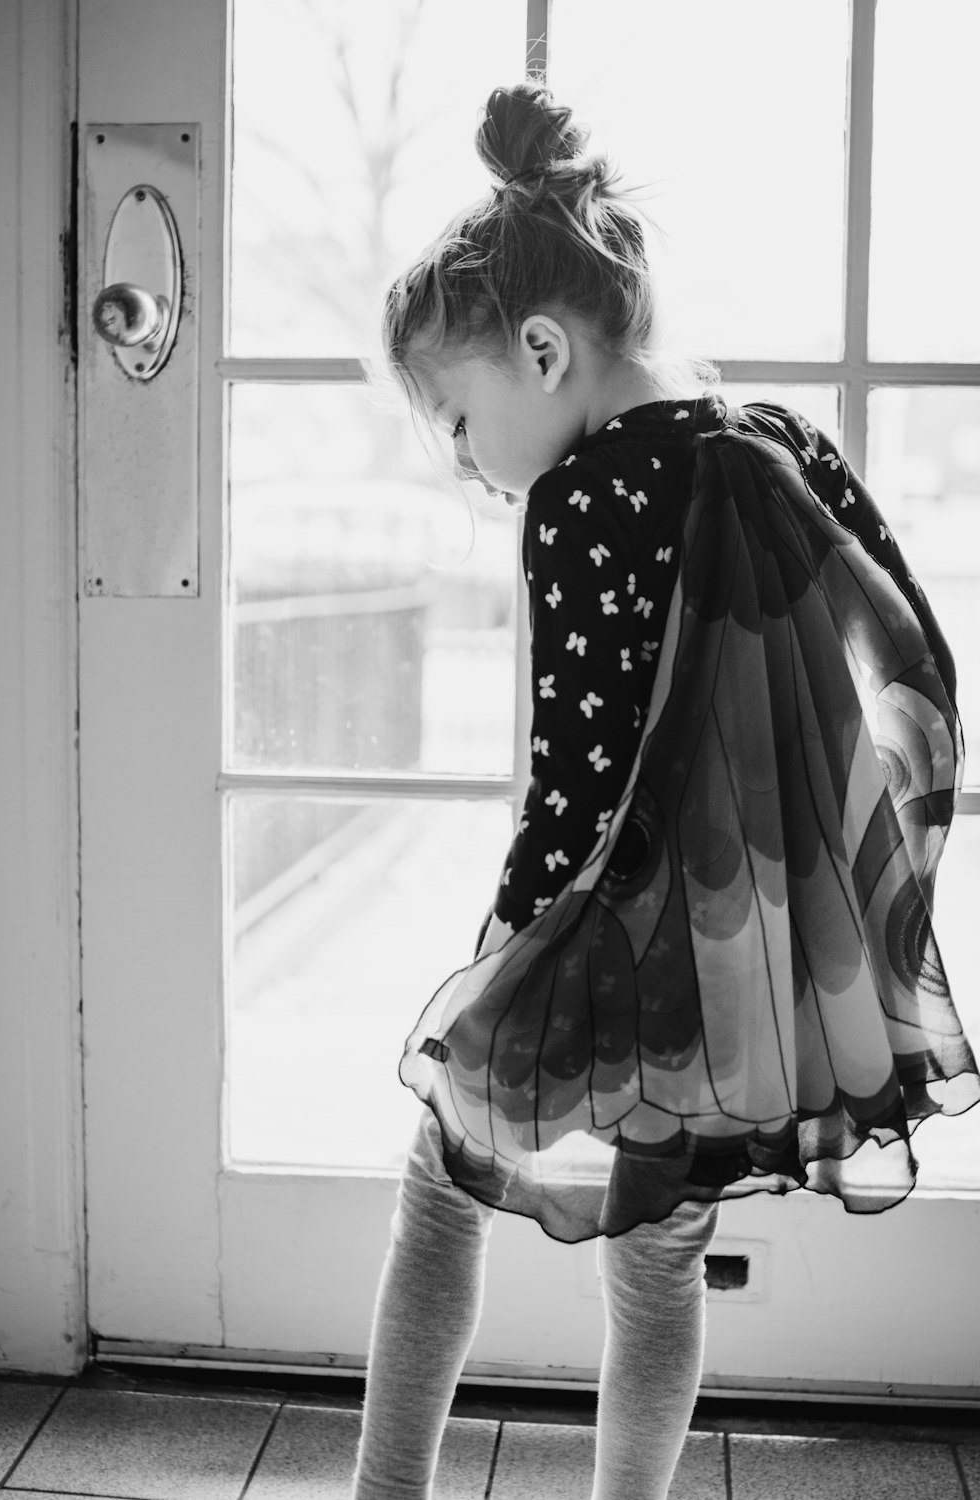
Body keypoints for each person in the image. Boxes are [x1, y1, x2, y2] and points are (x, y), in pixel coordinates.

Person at [352, 82, 979, 1500]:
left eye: (455, 420)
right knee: (660, 1264)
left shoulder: (585, 497)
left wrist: (505, 957)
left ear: (541, 347)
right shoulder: (771, 439)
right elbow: (912, 657)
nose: (461, 461)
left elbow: (573, 778)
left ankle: (384, 1496)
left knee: (441, 1198)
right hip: (736, 958)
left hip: (608, 933)